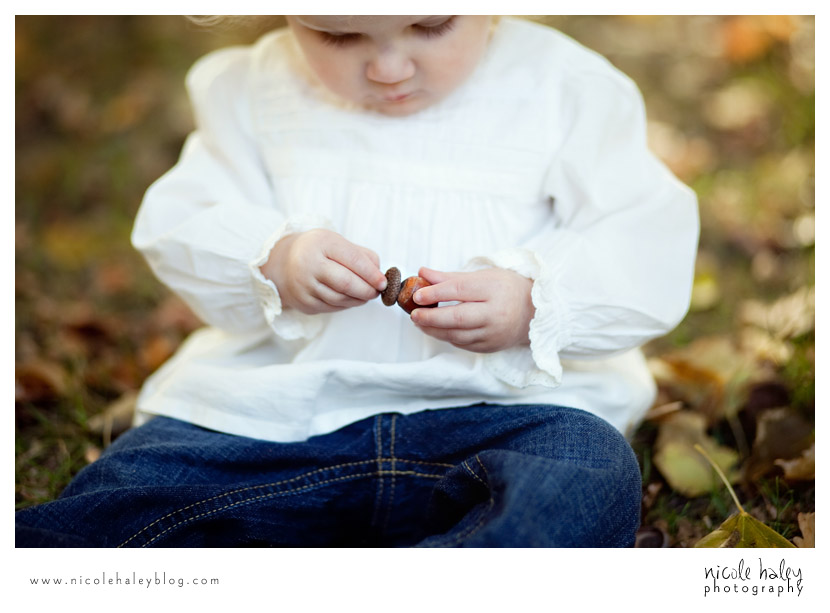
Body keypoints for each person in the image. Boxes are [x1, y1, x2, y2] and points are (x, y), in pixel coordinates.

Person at [16, 15, 698, 547]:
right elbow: (183, 219)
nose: (388, 66)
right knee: (141, 482)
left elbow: (645, 239)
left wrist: (535, 302)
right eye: (337, 35)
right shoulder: (252, 93)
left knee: (586, 475)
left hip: (505, 419)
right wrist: (275, 258)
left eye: (431, 27)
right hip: (279, 418)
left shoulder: (566, 90)